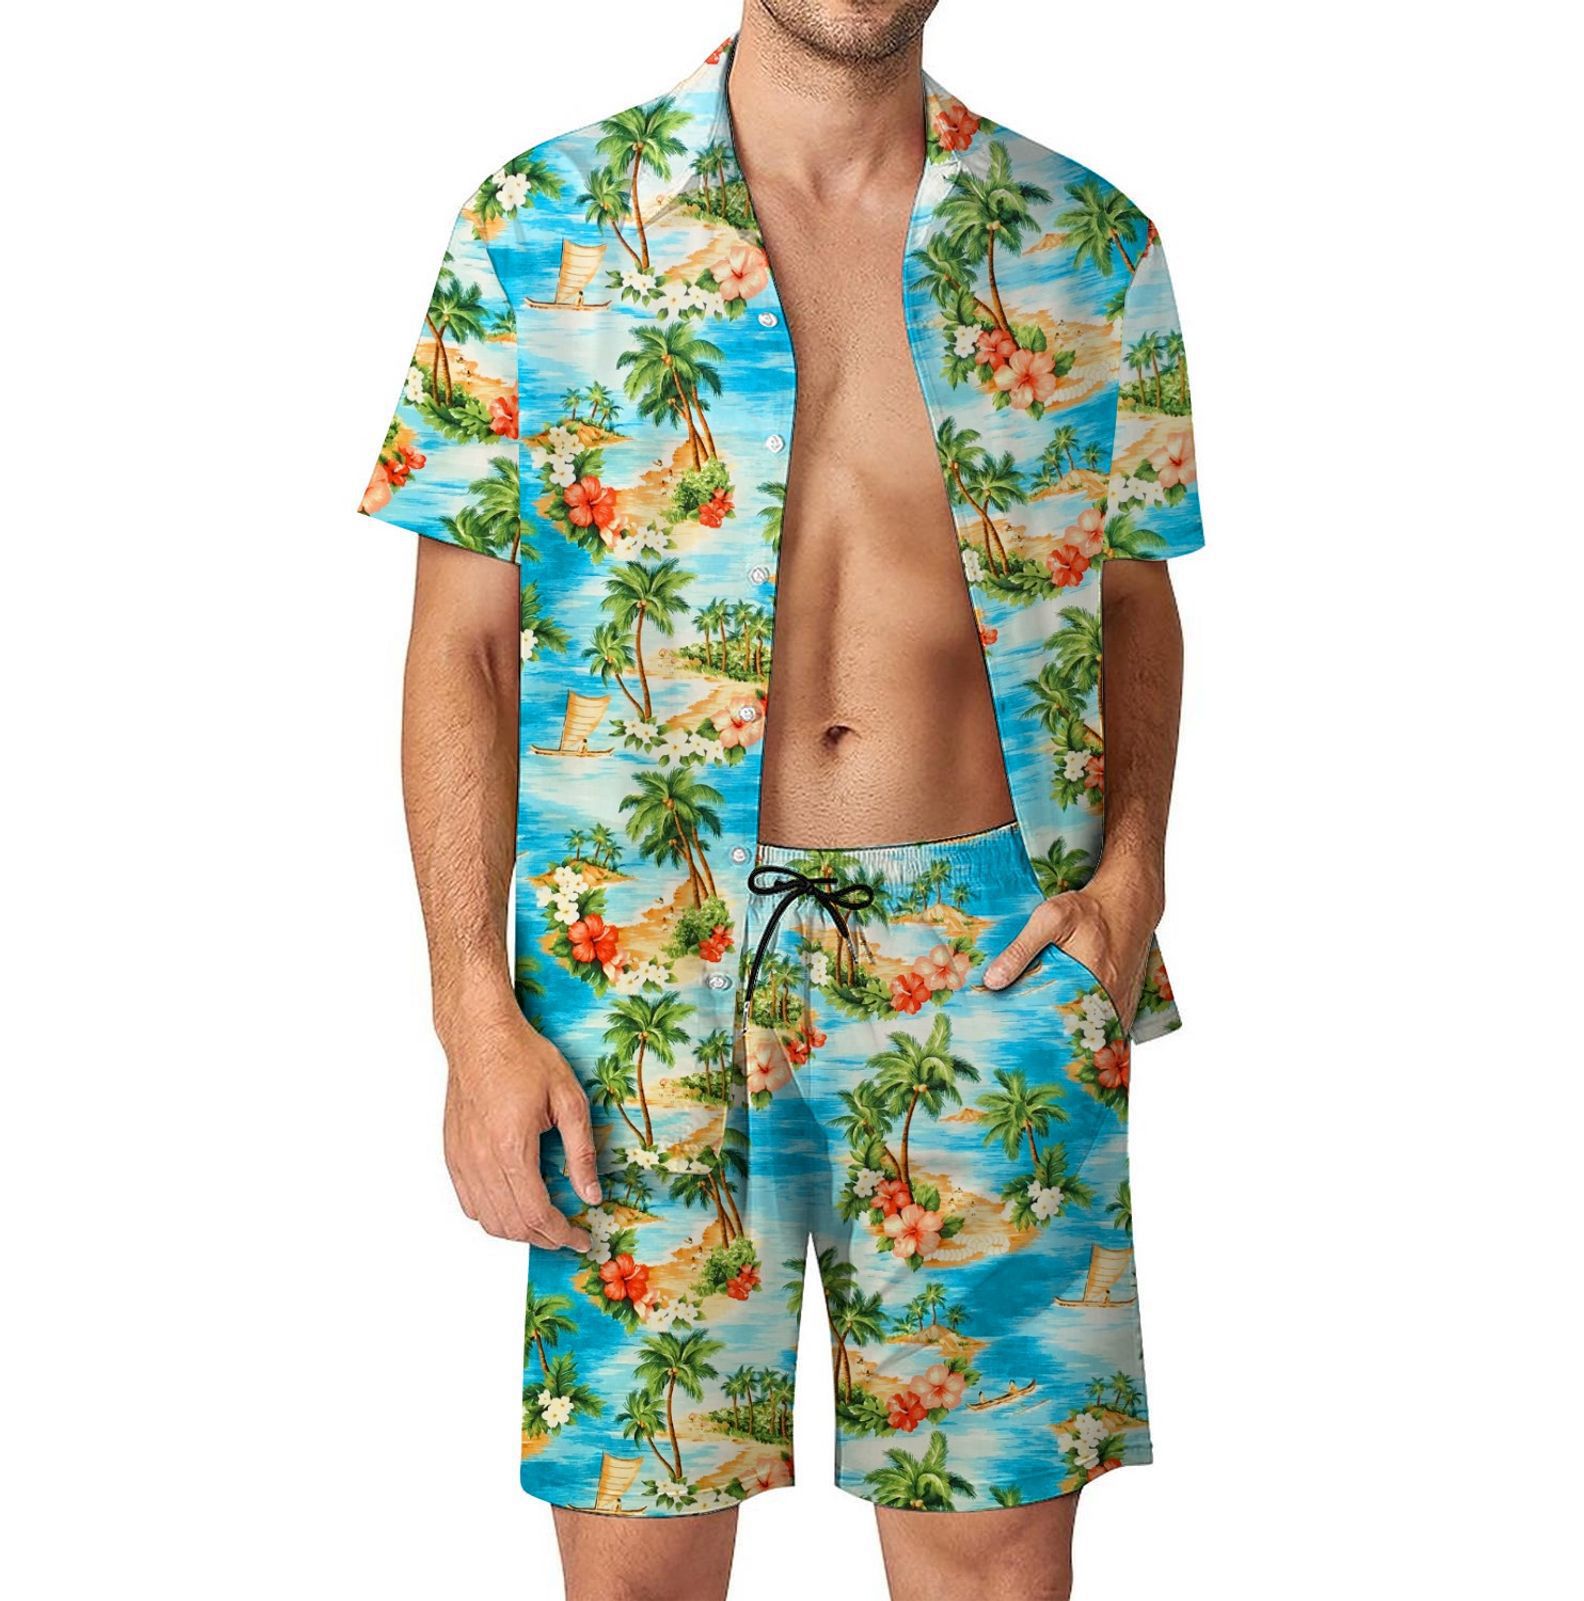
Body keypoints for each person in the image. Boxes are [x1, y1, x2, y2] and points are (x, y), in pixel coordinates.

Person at [359, 2, 1203, 1594]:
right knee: (637, 1560)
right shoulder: (538, 218)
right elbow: (459, 643)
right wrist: (471, 1008)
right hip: (637, 979)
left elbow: (1134, 593)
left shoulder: (1087, 242)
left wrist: (1132, 875)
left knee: (992, 1562)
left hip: (995, 962)